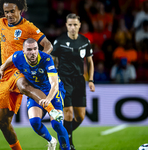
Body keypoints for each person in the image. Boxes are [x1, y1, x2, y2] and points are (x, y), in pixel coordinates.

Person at [0, 0, 62, 150]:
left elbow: (48, 45)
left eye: (12, 11)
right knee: (2, 123)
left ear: (20, 9)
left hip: (20, 70)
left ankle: (51, 109)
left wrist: (37, 63)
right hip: (5, 76)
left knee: (23, 84)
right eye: (6, 12)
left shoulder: (28, 27)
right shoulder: (3, 22)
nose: (9, 15)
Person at [0, 38, 70, 150]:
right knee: (35, 123)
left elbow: (54, 84)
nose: (33, 52)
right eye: (29, 49)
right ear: (23, 51)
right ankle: (51, 141)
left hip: (53, 91)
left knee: (57, 124)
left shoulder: (46, 59)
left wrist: (48, 99)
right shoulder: (19, 57)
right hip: (36, 91)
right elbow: (11, 58)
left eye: (35, 49)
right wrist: (3, 67)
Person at [51, 13, 95, 150]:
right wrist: (53, 78)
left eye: (75, 24)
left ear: (79, 25)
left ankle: (64, 135)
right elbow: (52, 60)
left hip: (79, 81)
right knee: (68, 112)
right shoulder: (59, 42)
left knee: (80, 117)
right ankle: (68, 145)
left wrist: (91, 80)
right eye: (70, 25)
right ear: (66, 25)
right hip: (64, 80)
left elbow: (90, 62)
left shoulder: (85, 41)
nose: (72, 27)